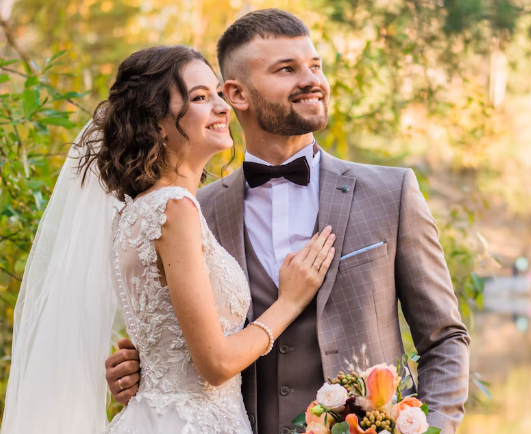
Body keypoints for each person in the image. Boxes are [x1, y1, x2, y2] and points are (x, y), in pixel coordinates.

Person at [106, 9, 471, 434]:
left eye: (315, 66)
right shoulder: (191, 210)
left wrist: (432, 429)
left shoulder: (391, 194)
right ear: (237, 94)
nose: (312, 79)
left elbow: (445, 339)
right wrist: (141, 369)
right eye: (287, 69)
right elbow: (189, 346)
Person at [1, 45, 335, 434]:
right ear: (158, 123)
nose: (222, 107)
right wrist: (289, 302)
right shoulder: (174, 210)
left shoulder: (133, 212)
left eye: (217, 94)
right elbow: (215, 365)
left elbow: (165, 336)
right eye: (199, 97)